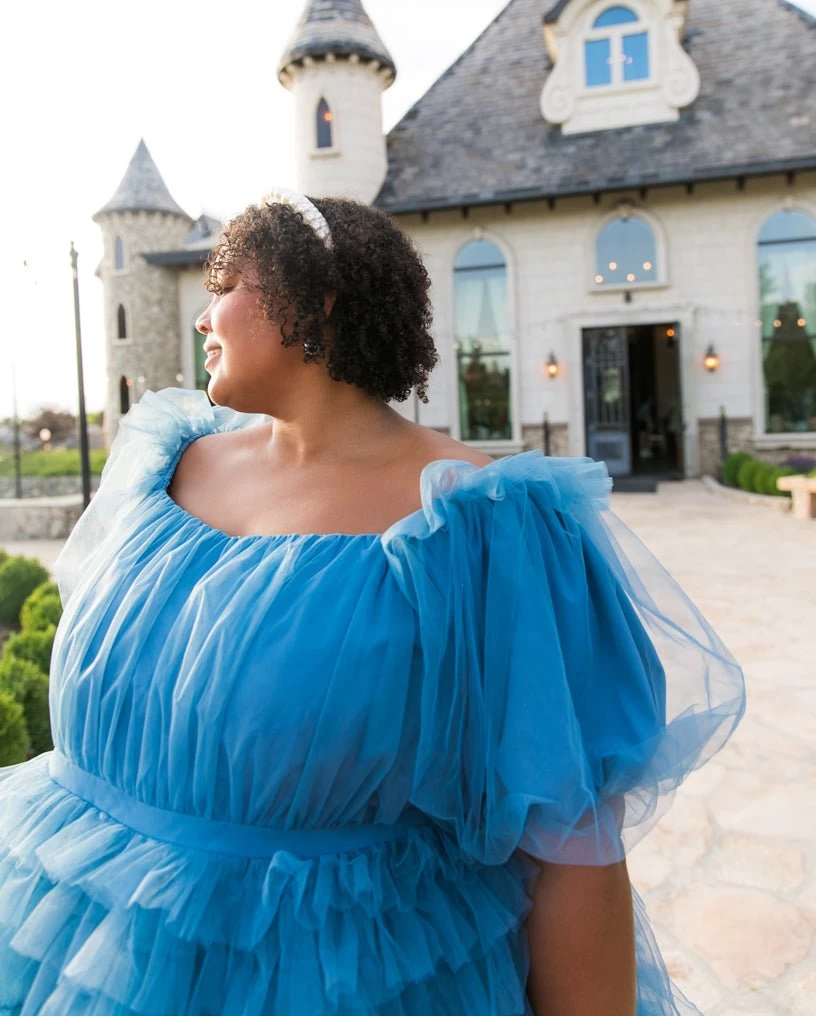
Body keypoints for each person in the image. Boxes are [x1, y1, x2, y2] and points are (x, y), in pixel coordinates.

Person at [0, 190, 746, 1015]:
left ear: (314, 301)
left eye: (228, 285)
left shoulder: (487, 526)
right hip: (68, 949)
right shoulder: (160, 467)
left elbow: (571, 837)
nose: (204, 318)